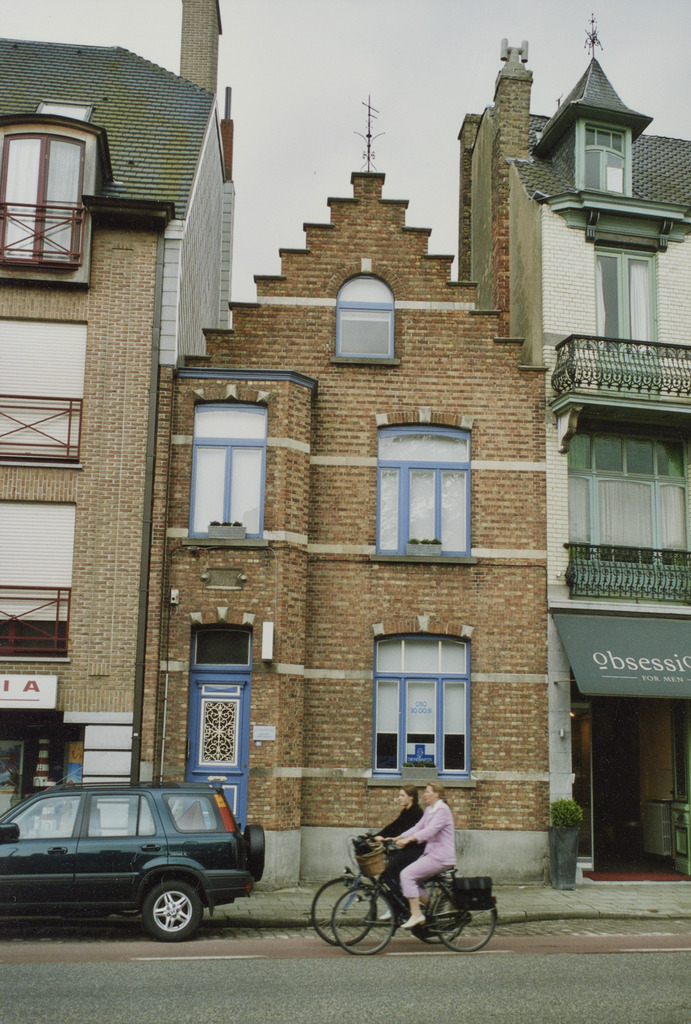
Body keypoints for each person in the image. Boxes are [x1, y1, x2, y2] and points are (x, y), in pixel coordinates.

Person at [393, 781, 456, 929]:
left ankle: (416, 915)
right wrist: (399, 837)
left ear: (437, 794)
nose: (424, 794)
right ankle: (435, 909)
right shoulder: (429, 810)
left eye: (428, 792)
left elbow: (430, 830)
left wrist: (409, 840)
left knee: (407, 875)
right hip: (431, 854)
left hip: (441, 856)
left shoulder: (442, 810)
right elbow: (418, 827)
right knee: (409, 883)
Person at [371, 787, 424, 914]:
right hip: (409, 848)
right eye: (399, 795)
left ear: (411, 797)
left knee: (389, 872)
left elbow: (404, 829)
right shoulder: (407, 811)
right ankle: (402, 905)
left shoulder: (416, 813)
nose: (399, 798)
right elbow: (394, 826)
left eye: (402, 795)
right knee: (395, 873)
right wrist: (375, 836)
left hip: (416, 850)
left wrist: (389, 838)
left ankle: (398, 907)